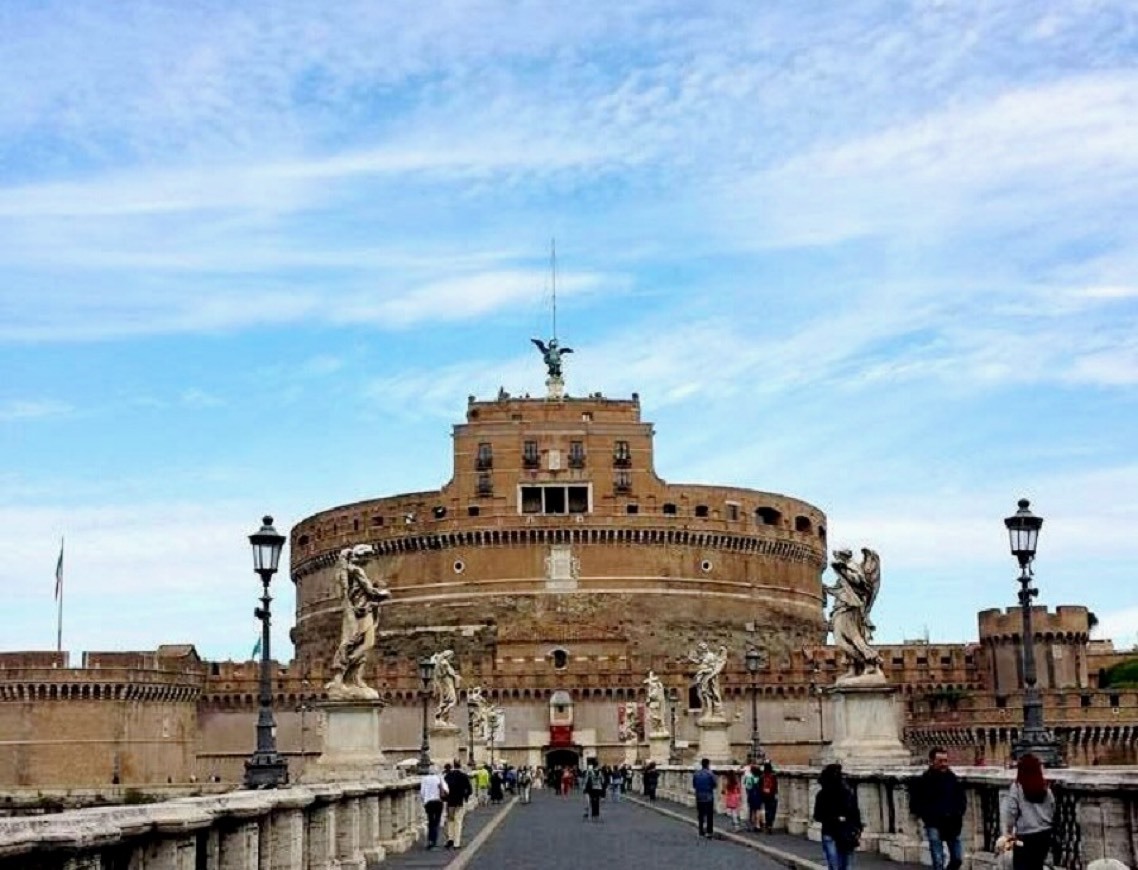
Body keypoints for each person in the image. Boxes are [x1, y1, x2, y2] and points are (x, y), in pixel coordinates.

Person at [911, 747, 966, 870]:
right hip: (934, 822)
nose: (944, 764)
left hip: (952, 823)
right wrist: (927, 815)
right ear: (932, 761)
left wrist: (959, 812)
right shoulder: (924, 780)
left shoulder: (952, 778)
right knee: (938, 860)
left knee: (957, 858)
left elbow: (961, 798)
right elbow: (916, 802)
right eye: (940, 761)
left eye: (945, 761)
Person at [1000, 753, 1055, 870]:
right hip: (1044, 834)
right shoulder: (1045, 788)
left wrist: (1008, 833)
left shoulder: (1017, 788)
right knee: (1037, 865)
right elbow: (1052, 808)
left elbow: (1011, 812)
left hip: (1024, 836)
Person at [813, 763, 862, 870]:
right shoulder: (846, 793)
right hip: (843, 831)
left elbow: (817, 816)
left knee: (835, 865)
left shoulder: (823, 794)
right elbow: (855, 812)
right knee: (844, 865)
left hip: (833, 831)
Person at [442, 761, 472, 850]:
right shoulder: (463, 776)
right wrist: (465, 797)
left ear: (453, 766)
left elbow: (444, 789)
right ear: (460, 766)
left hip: (450, 802)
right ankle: (456, 843)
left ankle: (450, 839)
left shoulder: (447, 776)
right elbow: (470, 790)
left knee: (450, 820)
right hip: (460, 802)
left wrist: (446, 799)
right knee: (458, 821)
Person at [419, 764, 448, 850]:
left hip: (429, 802)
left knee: (430, 821)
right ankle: (434, 842)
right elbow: (447, 790)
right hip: (438, 802)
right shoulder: (439, 778)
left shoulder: (424, 779)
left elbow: (422, 792)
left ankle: (430, 840)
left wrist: (424, 801)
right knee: (436, 821)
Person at [693, 758, 718, 838]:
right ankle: (709, 831)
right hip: (708, 796)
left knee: (700, 814)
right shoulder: (710, 774)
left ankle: (701, 830)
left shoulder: (696, 774)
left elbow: (694, 785)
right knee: (709, 815)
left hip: (699, 796)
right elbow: (715, 785)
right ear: (708, 764)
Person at [760, 761, 780, 833]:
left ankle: (768, 824)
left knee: (767, 810)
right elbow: (776, 786)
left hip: (765, 795)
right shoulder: (774, 775)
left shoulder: (762, 776)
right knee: (773, 810)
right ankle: (770, 825)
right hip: (772, 795)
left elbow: (760, 786)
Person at [743, 763, 762, 831]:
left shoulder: (749, 778)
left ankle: (753, 825)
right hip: (758, 795)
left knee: (752, 810)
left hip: (751, 795)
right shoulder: (760, 778)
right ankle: (758, 825)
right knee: (758, 810)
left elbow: (747, 787)